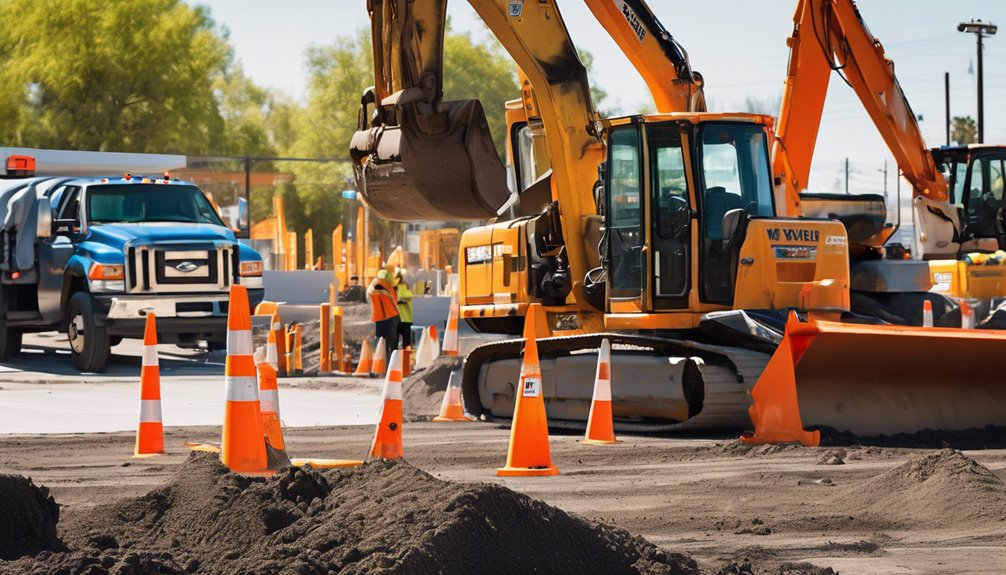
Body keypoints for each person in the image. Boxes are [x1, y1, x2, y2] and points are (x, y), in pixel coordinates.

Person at [367, 269, 399, 358]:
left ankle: (380, 358)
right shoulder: (389, 287)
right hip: (391, 315)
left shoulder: (372, 289)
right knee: (392, 341)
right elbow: (395, 301)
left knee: (380, 340)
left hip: (379, 317)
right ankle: (391, 359)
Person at [395, 271, 414, 348]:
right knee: (407, 342)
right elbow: (405, 296)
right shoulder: (404, 288)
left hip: (397, 318)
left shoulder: (396, 288)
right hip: (406, 319)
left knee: (395, 342)